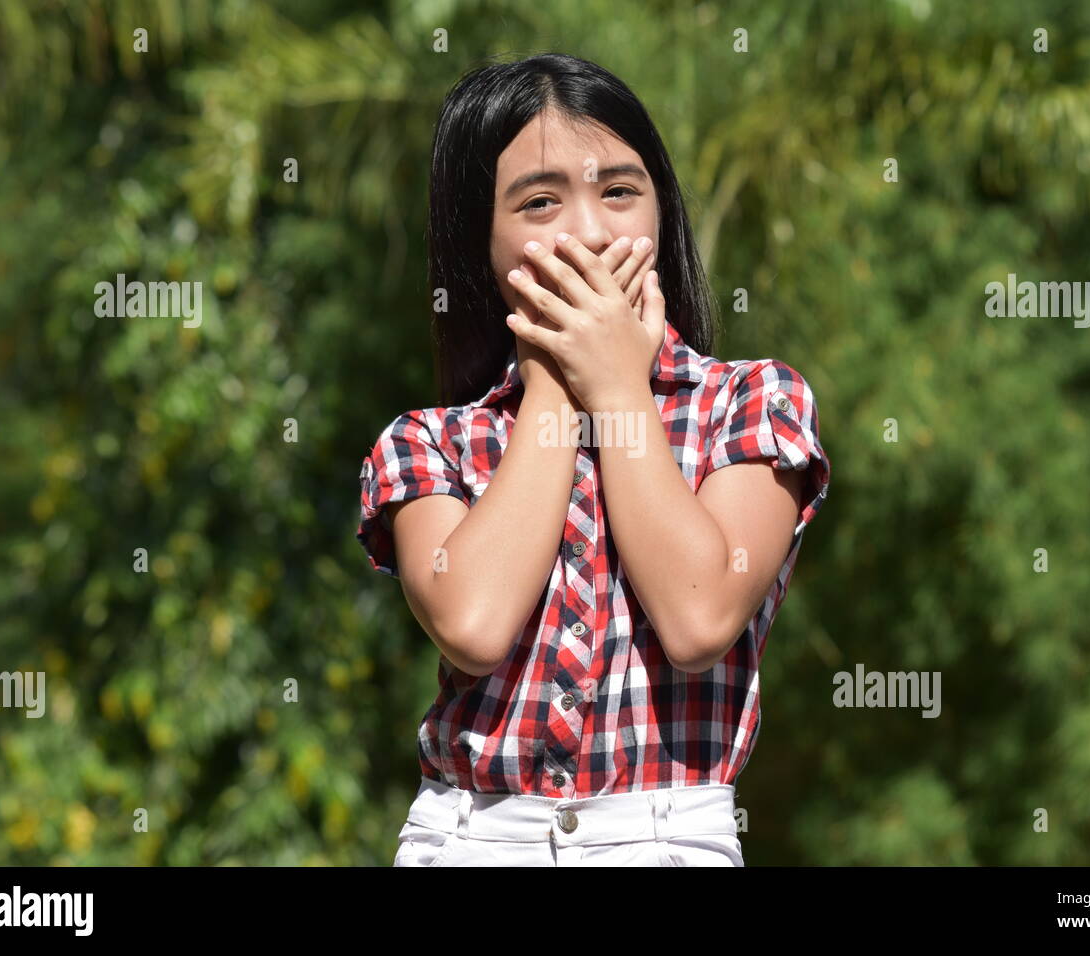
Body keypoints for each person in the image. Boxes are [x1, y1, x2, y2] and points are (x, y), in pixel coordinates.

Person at [356, 52, 831, 866]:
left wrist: (618, 389)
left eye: (619, 191)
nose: (590, 231)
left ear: (662, 214)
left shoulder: (751, 405)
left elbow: (698, 617)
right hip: (470, 837)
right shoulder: (427, 444)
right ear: (483, 241)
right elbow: (473, 624)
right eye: (541, 202)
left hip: (666, 837)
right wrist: (556, 385)